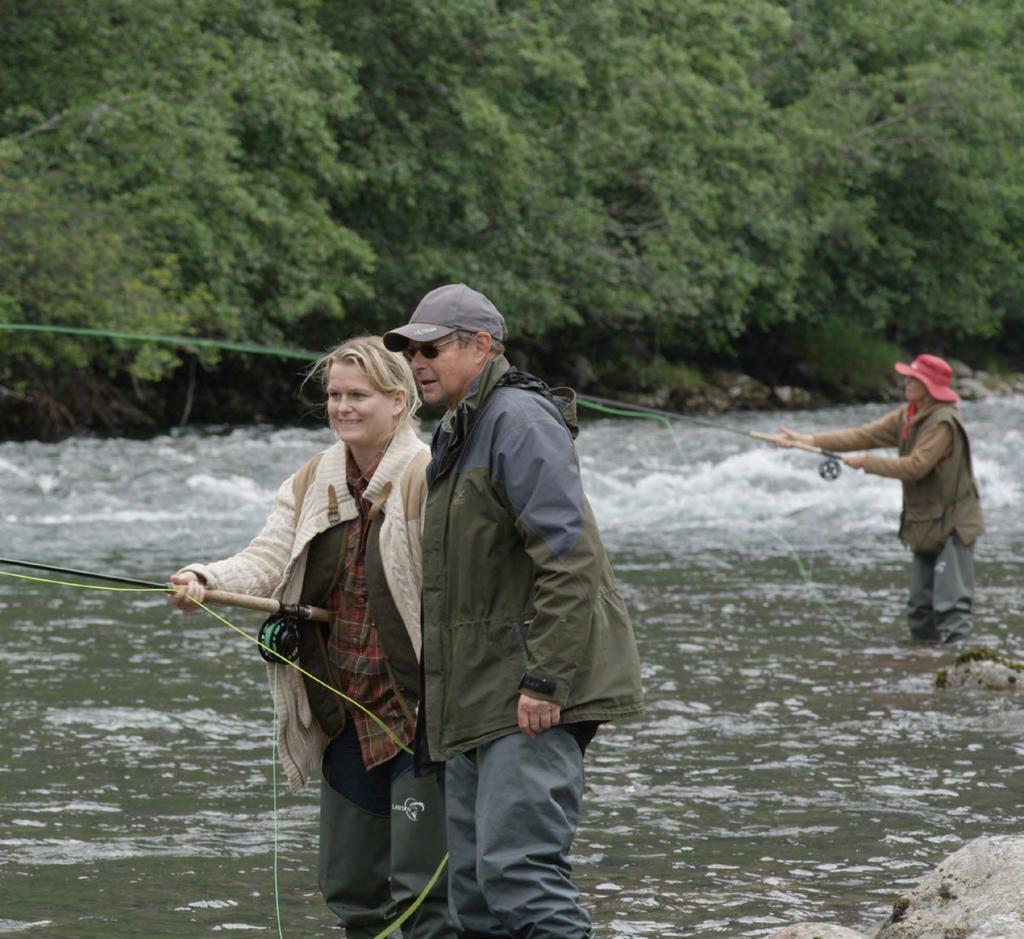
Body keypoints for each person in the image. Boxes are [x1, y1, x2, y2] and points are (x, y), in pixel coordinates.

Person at [168, 336, 453, 939]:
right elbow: (267, 558)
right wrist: (204, 577)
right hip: (341, 709)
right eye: (335, 396)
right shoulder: (309, 480)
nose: (343, 407)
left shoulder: (430, 475)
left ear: (399, 401)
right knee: (351, 887)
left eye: (359, 395)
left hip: (420, 711)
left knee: (425, 894)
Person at [383, 283, 645, 939]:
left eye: (431, 347)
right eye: (410, 349)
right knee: (473, 892)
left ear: (481, 346)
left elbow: (570, 558)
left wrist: (545, 678)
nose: (417, 361)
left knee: (520, 879)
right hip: (480, 695)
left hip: (530, 691)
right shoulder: (459, 427)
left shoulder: (517, 421)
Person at [772, 353, 985, 643]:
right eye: (909, 376)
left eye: (915, 378)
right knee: (920, 610)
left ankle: (960, 674)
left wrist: (867, 463)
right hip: (926, 523)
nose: (907, 381)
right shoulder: (909, 415)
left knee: (951, 607)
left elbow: (916, 467)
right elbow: (862, 435)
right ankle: (925, 670)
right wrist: (806, 440)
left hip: (955, 524)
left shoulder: (942, 422)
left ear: (930, 386)